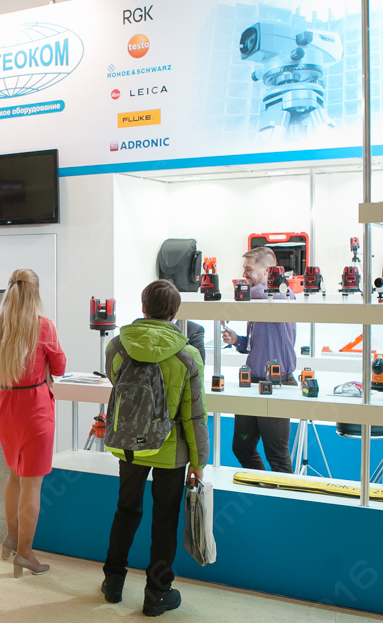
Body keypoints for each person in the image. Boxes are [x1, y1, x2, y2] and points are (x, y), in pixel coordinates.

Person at [101, 279, 209, 617]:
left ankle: (113, 582)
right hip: (170, 450)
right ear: (175, 313)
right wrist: (199, 461)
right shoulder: (188, 356)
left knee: (126, 509)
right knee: (164, 520)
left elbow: (117, 383)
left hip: (129, 445)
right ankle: (156, 594)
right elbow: (194, 415)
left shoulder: (117, 347)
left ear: (143, 307)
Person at [0, 268, 66, 578]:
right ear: (36, 293)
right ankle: (25, 553)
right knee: (32, 483)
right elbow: (59, 366)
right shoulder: (43, 326)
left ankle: (11, 538)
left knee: (14, 477)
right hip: (35, 408)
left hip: (6, 405)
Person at [221, 247, 296, 473]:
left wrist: (237, 298)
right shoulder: (254, 299)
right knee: (242, 446)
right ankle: (262, 485)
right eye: (244, 269)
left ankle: (283, 493)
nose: (244, 274)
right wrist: (238, 341)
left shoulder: (282, 295)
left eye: (249, 269)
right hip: (251, 383)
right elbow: (257, 344)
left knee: (277, 456)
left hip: (277, 385)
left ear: (268, 270)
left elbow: (262, 293)